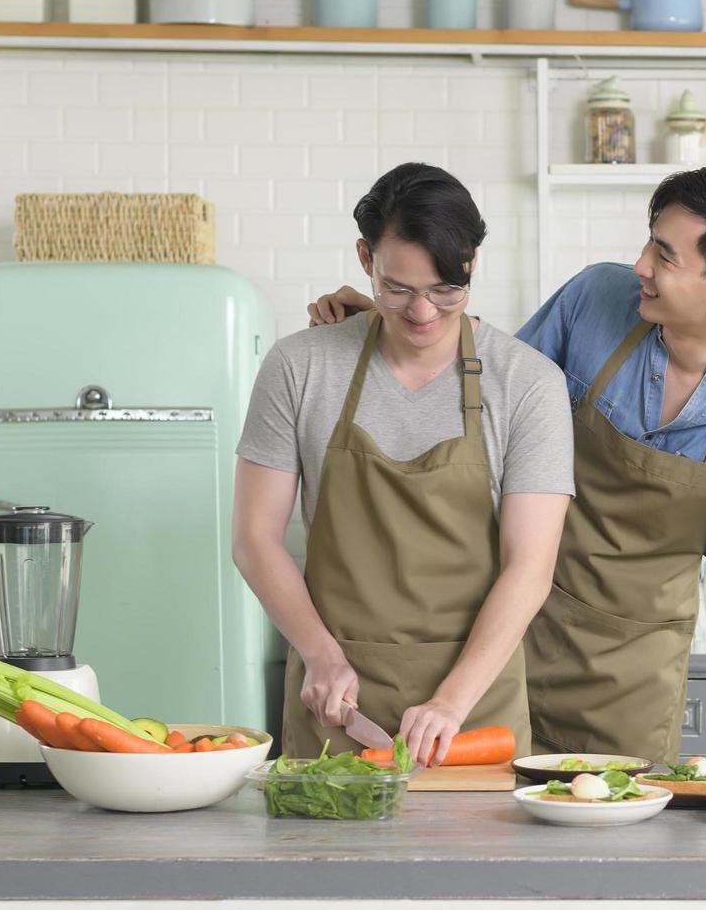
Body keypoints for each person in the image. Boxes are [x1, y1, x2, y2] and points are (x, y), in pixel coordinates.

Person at [309, 168, 706, 771]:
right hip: (501, 640)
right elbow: (494, 384)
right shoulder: (595, 302)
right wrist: (381, 322)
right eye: (648, 241)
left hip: (624, 676)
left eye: (664, 255)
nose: (640, 265)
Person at [234, 162, 573, 766]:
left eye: (446, 290)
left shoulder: (526, 383)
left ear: (471, 262)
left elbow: (530, 567)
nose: (423, 314)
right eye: (398, 289)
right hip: (335, 701)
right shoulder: (301, 367)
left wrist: (450, 702)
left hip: (474, 711)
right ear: (365, 258)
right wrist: (319, 653)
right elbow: (255, 539)